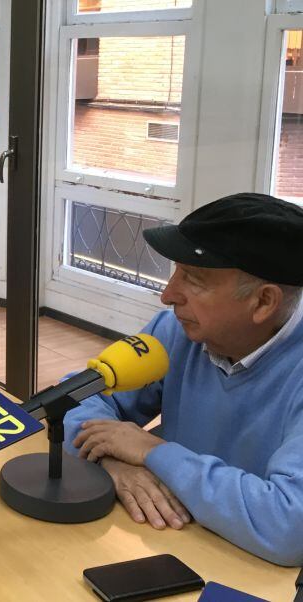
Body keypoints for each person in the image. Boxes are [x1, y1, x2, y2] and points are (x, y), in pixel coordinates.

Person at [63, 192, 303, 566]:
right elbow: (75, 398)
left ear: (263, 303)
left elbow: (289, 526)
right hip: (173, 546)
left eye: (193, 278)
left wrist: (154, 453)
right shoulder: (180, 331)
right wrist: (111, 460)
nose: (167, 295)